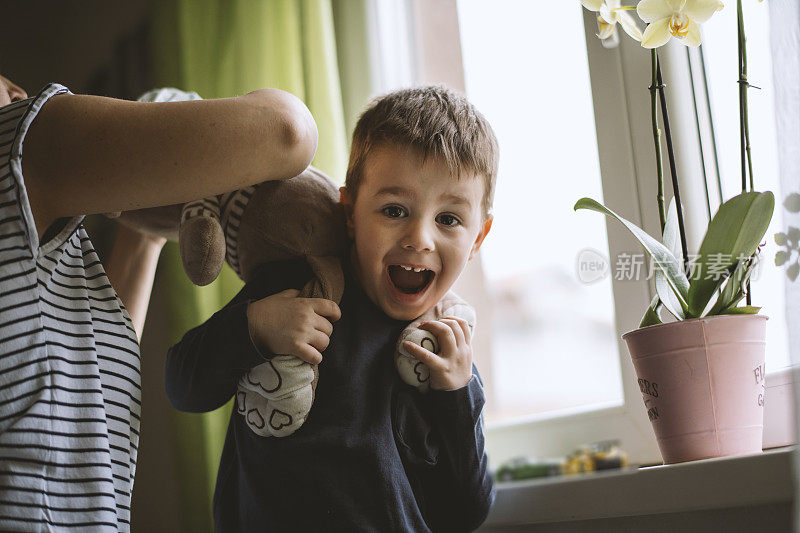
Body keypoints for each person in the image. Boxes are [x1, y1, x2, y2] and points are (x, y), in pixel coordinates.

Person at [165, 85, 498, 531]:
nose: (419, 238)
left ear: (478, 238)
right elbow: (181, 386)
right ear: (350, 214)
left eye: (449, 219)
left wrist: (457, 394)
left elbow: (466, 513)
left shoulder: (445, 351)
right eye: (394, 209)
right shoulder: (295, 290)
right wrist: (256, 328)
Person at [0, 74, 318, 530]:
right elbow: (288, 130)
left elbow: (83, 378)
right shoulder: (23, 140)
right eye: (8, 89)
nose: (23, 96)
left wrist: (144, 227)